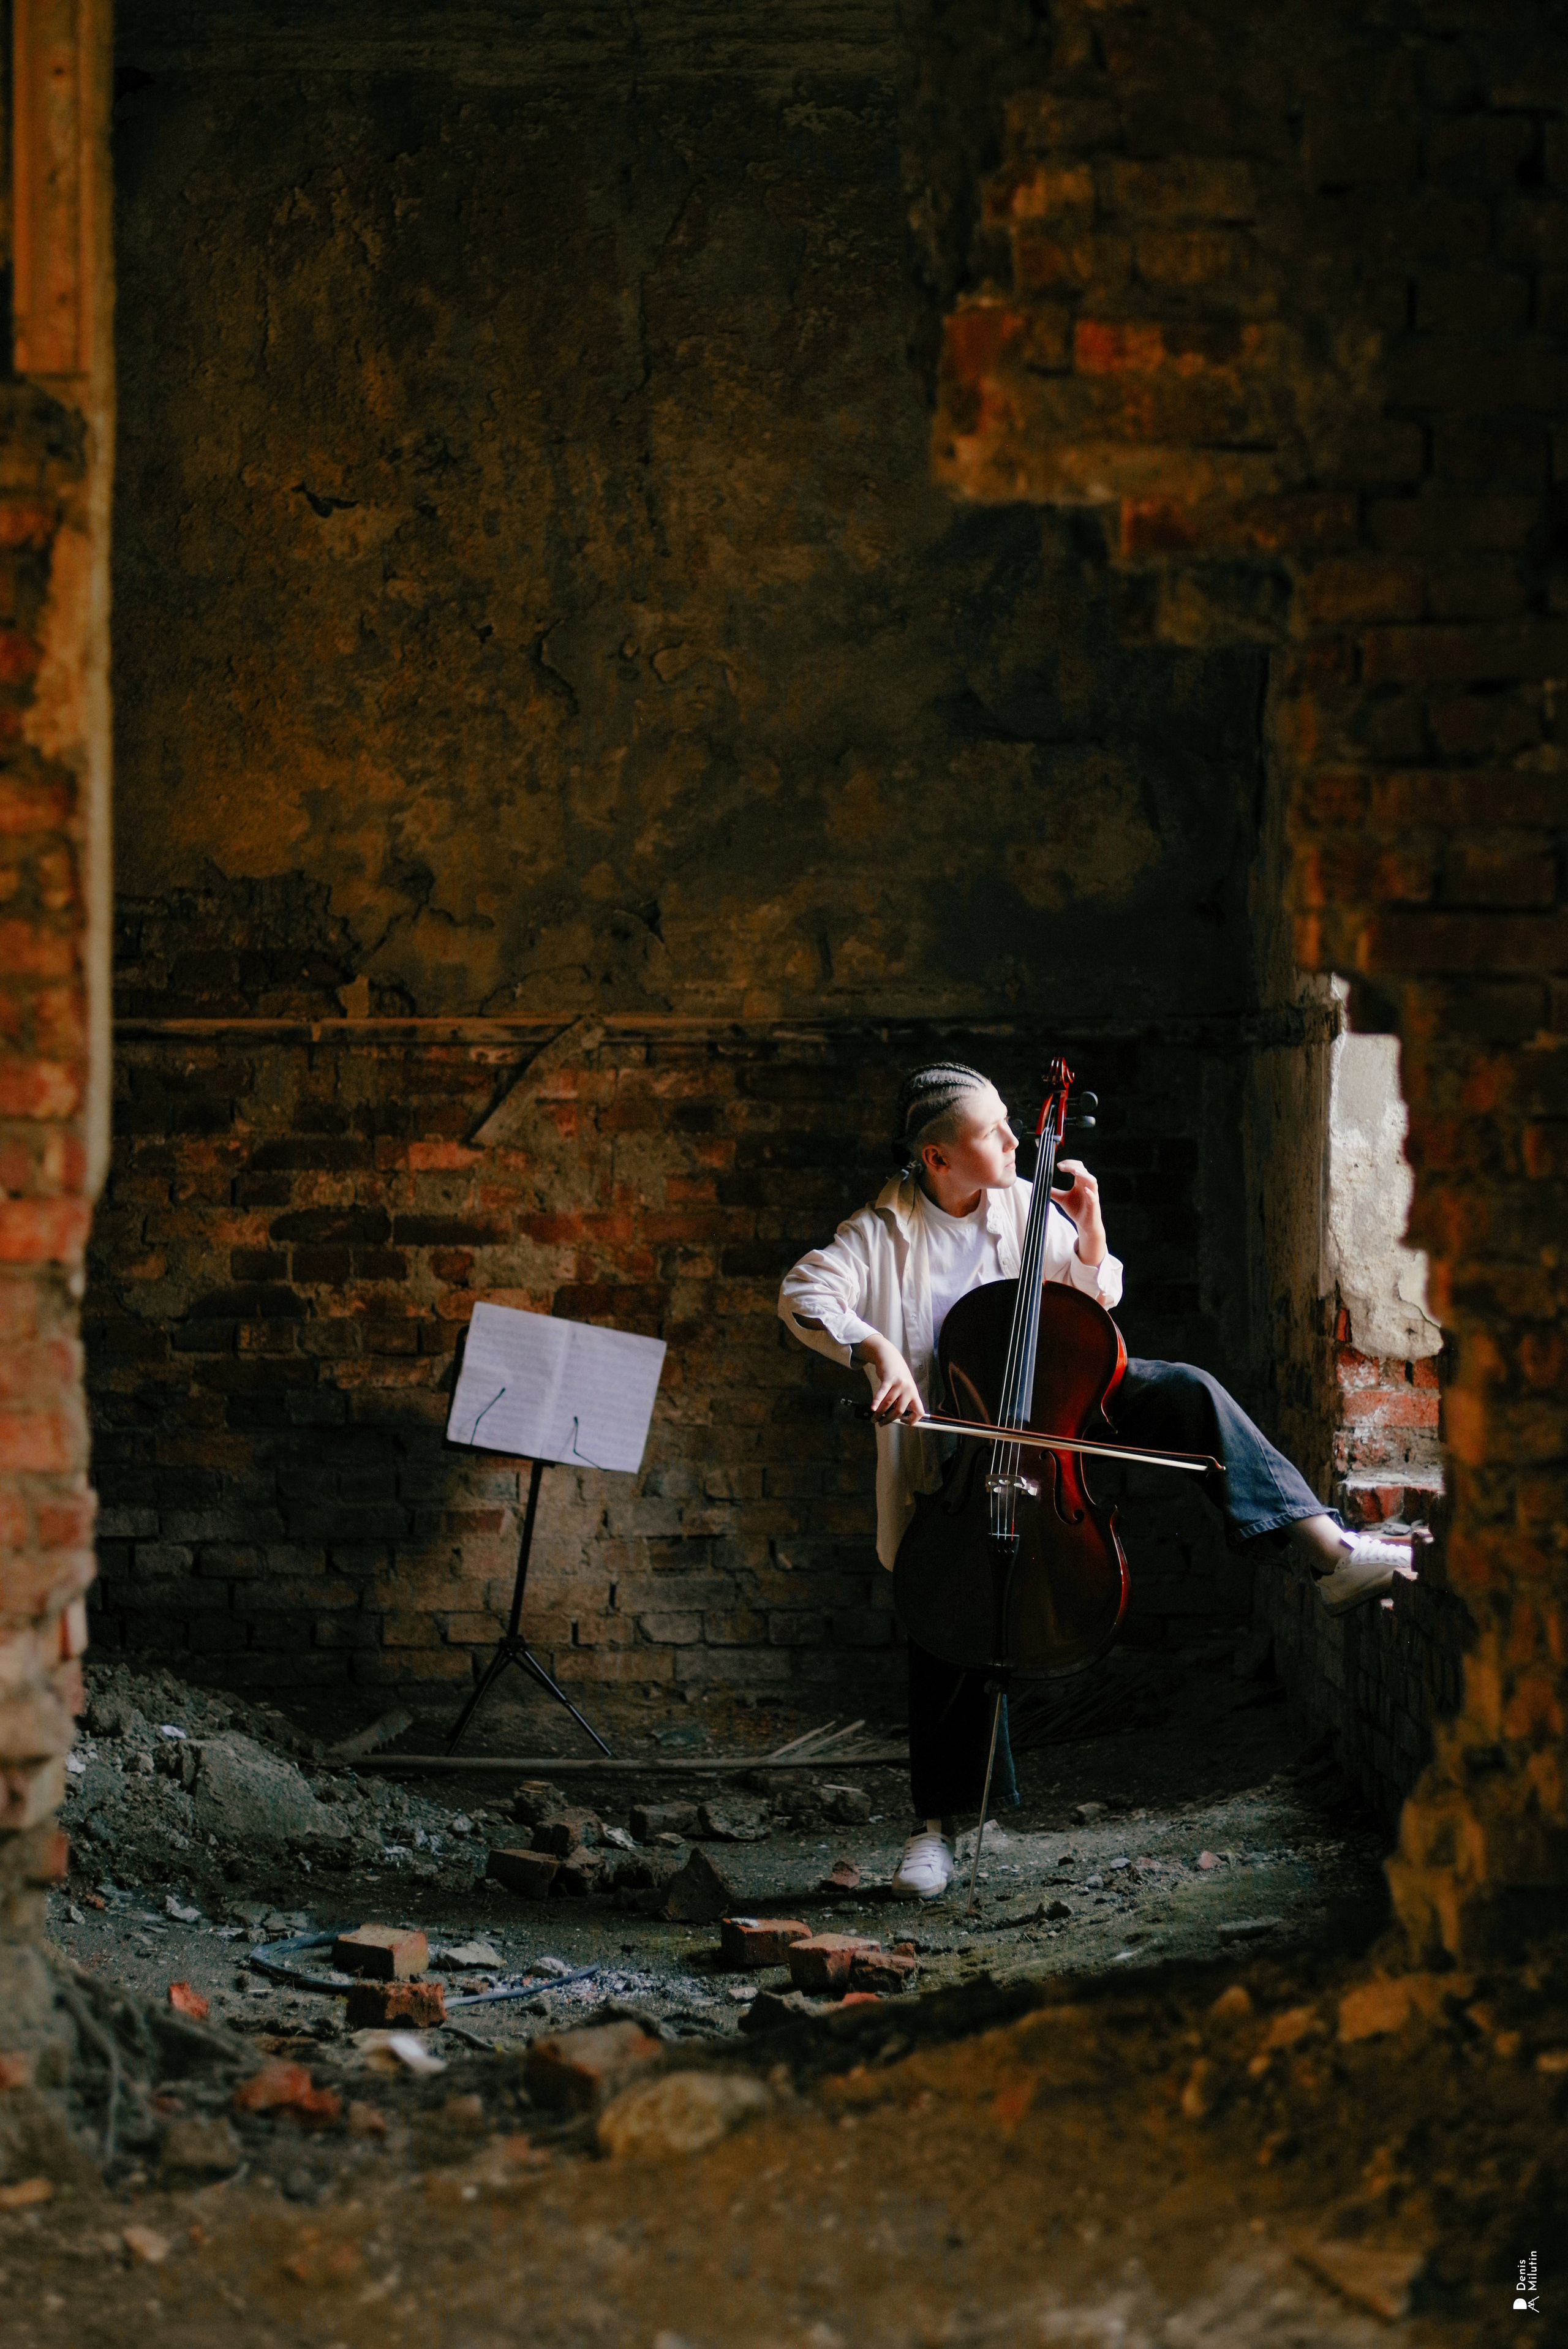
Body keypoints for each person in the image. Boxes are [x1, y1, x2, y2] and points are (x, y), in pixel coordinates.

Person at [778, 1059, 1419, 1901]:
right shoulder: (880, 1232)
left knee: (1186, 1391)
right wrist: (879, 1349)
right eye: (992, 1131)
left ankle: (1328, 1551)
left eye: (1015, 1122)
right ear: (937, 1158)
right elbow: (802, 1293)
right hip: (962, 1461)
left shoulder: (1020, 1199)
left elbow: (1092, 1305)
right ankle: (933, 1829)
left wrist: (1090, 1234)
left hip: (1059, 1418)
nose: (1017, 1139)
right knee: (948, 1606)